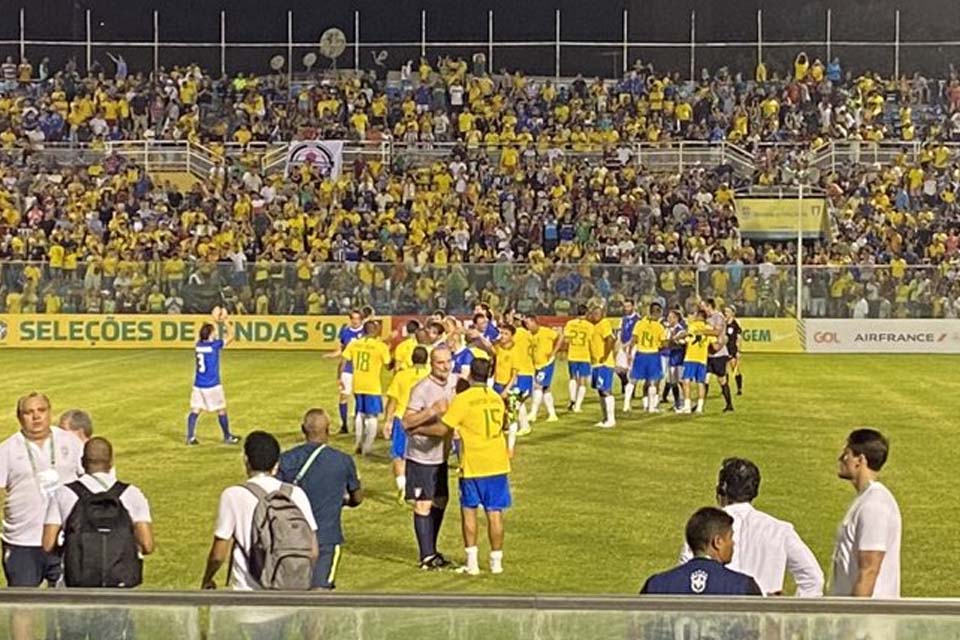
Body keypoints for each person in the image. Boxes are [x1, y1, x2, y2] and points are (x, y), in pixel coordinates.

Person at [679, 458, 823, 597]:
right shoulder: (780, 530)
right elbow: (813, 579)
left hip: (716, 612)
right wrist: (785, 610)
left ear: (722, 490)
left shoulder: (704, 529)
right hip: (763, 612)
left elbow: (685, 577)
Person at [201, 431, 319, 590]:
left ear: (246, 460)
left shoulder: (233, 495)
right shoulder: (296, 494)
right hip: (290, 591)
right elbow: (313, 550)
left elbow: (218, 554)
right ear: (276, 464)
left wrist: (207, 579)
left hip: (247, 590)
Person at [42, 437, 155, 580]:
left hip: (78, 581)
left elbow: (47, 544)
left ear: (82, 462)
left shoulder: (64, 493)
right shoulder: (132, 494)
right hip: (121, 582)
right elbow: (147, 545)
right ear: (111, 462)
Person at [0, 392, 83, 587]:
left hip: (66, 539)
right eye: (28, 412)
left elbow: (88, 481)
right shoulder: (7, 449)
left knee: (69, 601)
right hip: (23, 541)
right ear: (19, 417)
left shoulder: (70, 442)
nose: (36, 417)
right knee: (22, 603)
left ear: (49, 412)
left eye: (41, 410)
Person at [438, 358, 512, 575]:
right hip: (497, 462)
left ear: (470, 374)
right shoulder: (496, 398)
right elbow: (504, 425)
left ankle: (472, 563)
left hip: (473, 464)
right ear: (489, 374)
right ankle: (496, 562)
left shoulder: (463, 400)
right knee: (495, 512)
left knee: (469, 511)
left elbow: (445, 427)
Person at [278, 409, 363, 590]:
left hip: (292, 538)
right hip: (326, 538)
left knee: (291, 590)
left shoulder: (285, 459)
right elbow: (357, 498)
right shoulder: (343, 460)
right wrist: (341, 501)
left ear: (303, 429)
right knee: (320, 593)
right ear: (328, 430)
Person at [401, 345, 459, 570]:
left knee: (441, 500)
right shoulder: (421, 389)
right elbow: (407, 422)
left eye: (448, 361)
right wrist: (431, 411)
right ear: (431, 364)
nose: (445, 366)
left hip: (440, 456)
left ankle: (432, 549)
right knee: (423, 504)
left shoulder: (455, 382)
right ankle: (426, 556)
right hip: (421, 457)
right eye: (440, 363)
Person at [832, 429, 901, 598]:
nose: (841, 459)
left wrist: (855, 613)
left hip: (868, 614)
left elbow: (869, 570)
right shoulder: (866, 499)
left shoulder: (874, 504)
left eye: (847, 454)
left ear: (860, 460)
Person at [640, 507, 762, 595]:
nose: (733, 543)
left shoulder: (656, 585)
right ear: (717, 542)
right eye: (730, 537)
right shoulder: (743, 586)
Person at [187, 308, 241, 445]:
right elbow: (231, 335)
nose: (216, 333)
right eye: (214, 332)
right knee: (221, 410)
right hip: (212, 384)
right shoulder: (214, 345)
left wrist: (214, 320)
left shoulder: (198, 345)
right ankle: (227, 436)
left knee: (195, 409)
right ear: (211, 334)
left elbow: (204, 332)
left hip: (198, 384)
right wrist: (225, 321)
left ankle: (190, 437)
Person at [383, 346, 430, 503]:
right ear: (426, 360)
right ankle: (418, 490)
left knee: (399, 454)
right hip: (423, 418)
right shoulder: (430, 376)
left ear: (412, 359)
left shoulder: (401, 375)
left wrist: (388, 421)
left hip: (402, 417)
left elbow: (392, 400)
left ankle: (402, 486)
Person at [340, 319, 392, 456]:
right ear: (375, 331)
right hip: (372, 385)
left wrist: (340, 377)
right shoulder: (380, 346)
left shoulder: (354, 344)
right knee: (372, 416)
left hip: (358, 383)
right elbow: (388, 365)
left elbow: (344, 359)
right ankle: (367, 447)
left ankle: (358, 441)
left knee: (360, 413)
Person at [623, 302, 666, 413]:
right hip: (653, 355)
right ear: (657, 312)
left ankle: (626, 405)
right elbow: (663, 344)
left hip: (640, 354)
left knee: (633, 380)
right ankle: (651, 407)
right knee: (652, 382)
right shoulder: (659, 327)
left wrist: (629, 353)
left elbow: (633, 339)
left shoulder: (639, 323)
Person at [330, 310, 365, 434]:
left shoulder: (365, 332)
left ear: (361, 320)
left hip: (360, 369)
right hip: (347, 368)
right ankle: (344, 425)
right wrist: (334, 355)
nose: (355, 321)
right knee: (344, 396)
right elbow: (342, 349)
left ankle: (357, 423)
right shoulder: (345, 331)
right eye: (353, 318)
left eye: (357, 319)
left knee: (359, 397)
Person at [678, 309, 714, 414]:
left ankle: (687, 406)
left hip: (691, 357)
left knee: (686, 381)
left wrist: (679, 339)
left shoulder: (692, 326)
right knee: (700, 382)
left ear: (699, 316)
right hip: (702, 358)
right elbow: (714, 344)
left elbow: (686, 338)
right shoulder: (708, 328)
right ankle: (700, 407)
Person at [524, 316, 560, 423]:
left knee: (538, 386)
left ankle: (533, 413)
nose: (527, 326)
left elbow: (560, 336)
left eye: (528, 323)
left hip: (546, 363)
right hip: (537, 364)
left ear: (534, 322)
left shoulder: (546, 331)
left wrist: (554, 352)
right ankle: (552, 414)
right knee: (546, 389)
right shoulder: (529, 335)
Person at [587, 304, 617, 428]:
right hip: (596, 364)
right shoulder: (593, 326)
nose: (595, 316)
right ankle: (605, 418)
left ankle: (611, 419)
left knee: (606, 390)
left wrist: (605, 355)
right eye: (594, 313)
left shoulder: (604, 324)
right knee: (600, 391)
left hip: (604, 363)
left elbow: (611, 339)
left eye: (598, 314)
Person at [702, 299, 734, 412]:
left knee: (722, 380)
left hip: (719, 354)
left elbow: (717, 332)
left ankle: (729, 404)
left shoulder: (718, 317)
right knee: (704, 379)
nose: (702, 308)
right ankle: (700, 405)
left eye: (703, 306)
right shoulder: (707, 318)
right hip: (708, 353)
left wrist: (701, 331)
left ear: (709, 306)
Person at [562, 305, 593, 413]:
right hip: (585, 355)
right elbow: (591, 341)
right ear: (586, 313)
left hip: (573, 354)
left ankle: (572, 399)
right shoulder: (589, 326)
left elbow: (566, 340)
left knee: (573, 378)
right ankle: (578, 406)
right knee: (582, 381)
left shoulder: (570, 324)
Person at [616, 300, 640, 394]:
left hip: (633, 346)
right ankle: (625, 383)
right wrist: (619, 342)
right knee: (618, 369)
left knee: (631, 369)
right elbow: (620, 331)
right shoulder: (623, 319)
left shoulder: (638, 319)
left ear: (633, 306)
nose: (626, 309)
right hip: (623, 345)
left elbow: (636, 335)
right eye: (625, 306)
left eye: (628, 306)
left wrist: (629, 345)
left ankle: (631, 391)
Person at [724, 306, 744, 395]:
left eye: (728, 311)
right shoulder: (724, 323)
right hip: (724, 348)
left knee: (734, 368)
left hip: (732, 349)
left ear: (733, 313)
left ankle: (739, 388)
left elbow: (739, 338)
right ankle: (725, 388)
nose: (726, 313)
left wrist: (738, 350)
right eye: (725, 311)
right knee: (724, 369)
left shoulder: (735, 324)